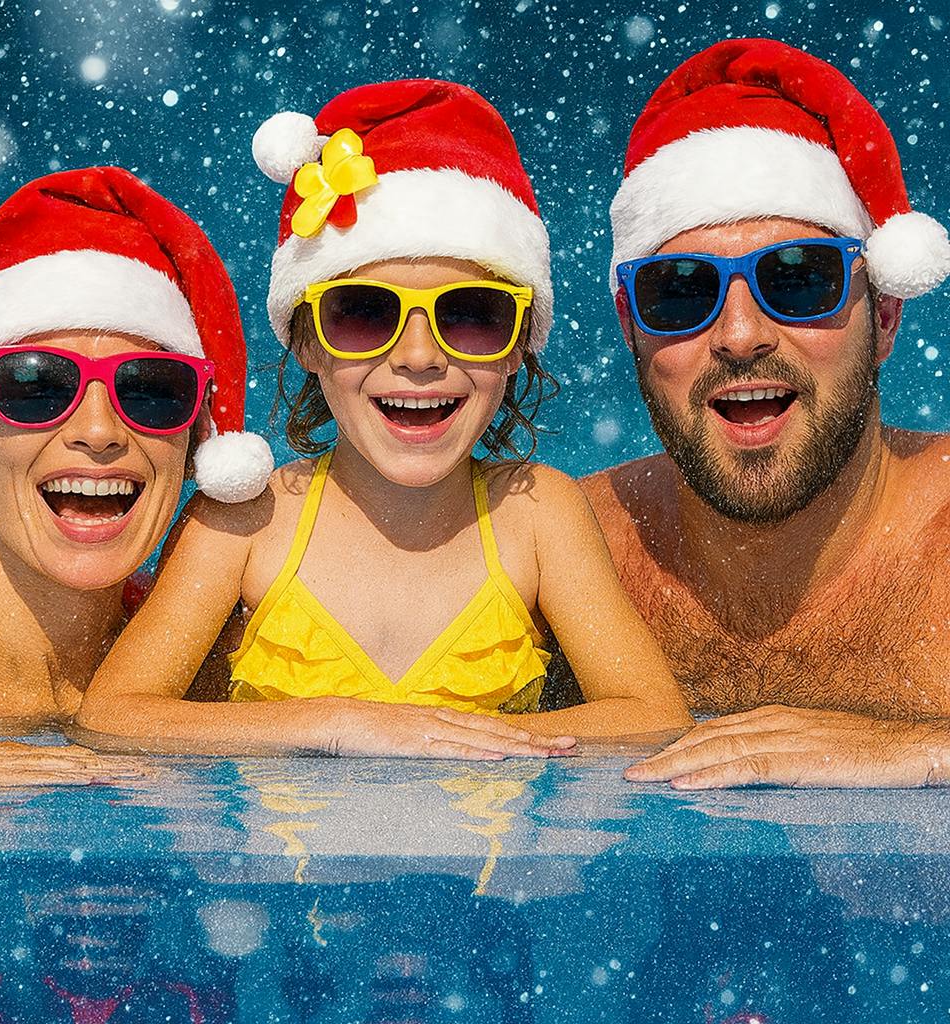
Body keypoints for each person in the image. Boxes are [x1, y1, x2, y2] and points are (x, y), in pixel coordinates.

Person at [76, 79, 692, 759]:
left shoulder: (539, 513)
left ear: (518, 346)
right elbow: (112, 718)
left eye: (471, 316)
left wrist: (437, 740)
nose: (421, 357)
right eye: (365, 314)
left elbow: (652, 717)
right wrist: (339, 724)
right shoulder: (248, 523)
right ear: (305, 341)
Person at [577, 38, 950, 788]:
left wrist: (925, 752)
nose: (741, 337)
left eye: (797, 281)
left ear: (884, 315)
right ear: (630, 326)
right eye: (681, 290)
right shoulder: (568, 554)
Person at [0, 166, 273, 783]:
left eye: (150, 390)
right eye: (36, 385)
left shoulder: (222, 659)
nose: (99, 430)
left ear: (195, 440)